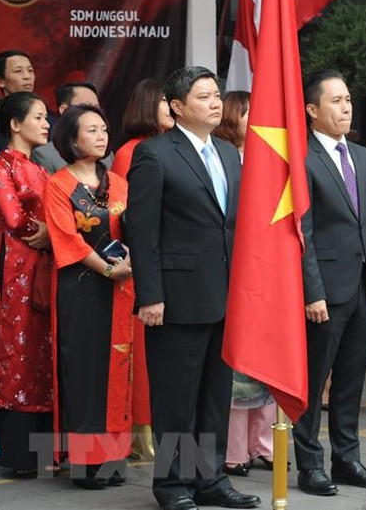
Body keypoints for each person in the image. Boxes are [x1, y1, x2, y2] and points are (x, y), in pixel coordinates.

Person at [126, 66, 258, 510]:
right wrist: (150, 295)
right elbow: (142, 232)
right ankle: (171, 485)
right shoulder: (155, 154)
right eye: (203, 97)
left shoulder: (228, 152)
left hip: (223, 296)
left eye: (217, 95)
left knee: (215, 396)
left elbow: (233, 227)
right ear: (177, 106)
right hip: (176, 298)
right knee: (175, 400)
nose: (215, 103)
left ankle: (210, 478)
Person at [293, 70, 366, 497]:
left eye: (348, 99)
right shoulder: (300, 158)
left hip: (364, 287)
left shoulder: (365, 157)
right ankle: (310, 464)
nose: (346, 107)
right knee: (313, 384)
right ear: (312, 110)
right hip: (325, 291)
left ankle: (347, 458)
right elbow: (302, 231)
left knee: (352, 379)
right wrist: (311, 290)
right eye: (335, 101)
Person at [43, 105, 134, 489]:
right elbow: (68, 240)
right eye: (91, 130)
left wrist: (130, 264)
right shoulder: (58, 185)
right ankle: (84, 463)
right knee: (83, 372)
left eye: (104, 128)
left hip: (121, 288)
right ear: (71, 138)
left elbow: (135, 228)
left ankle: (112, 458)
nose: (101, 135)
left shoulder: (119, 182)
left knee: (117, 371)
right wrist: (112, 269)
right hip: (81, 290)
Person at [0, 91, 52, 478]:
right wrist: (43, 230)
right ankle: (18, 454)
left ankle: (42, 451)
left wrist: (51, 233)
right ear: (15, 123)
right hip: (15, 271)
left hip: (42, 268)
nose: (46, 124)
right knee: (16, 351)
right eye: (39, 117)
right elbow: (11, 217)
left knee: (42, 351)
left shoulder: (41, 169)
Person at [109, 77, 174, 460]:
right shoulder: (132, 152)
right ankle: (141, 432)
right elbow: (130, 218)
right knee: (144, 357)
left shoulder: (168, 148)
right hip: (143, 267)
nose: (172, 107)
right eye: (166, 102)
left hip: (171, 265)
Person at [213, 90, 277, 476]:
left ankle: (264, 446)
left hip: (266, 271)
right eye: (249, 111)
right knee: (238, 369)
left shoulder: (268, 158)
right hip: (233, 270)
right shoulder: (222, 159)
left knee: (266, 364)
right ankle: (234, 452)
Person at [32, 82, 112, 174]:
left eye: (96, 108)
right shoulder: (45, 155)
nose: (93, 113)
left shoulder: (106, 153)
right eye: (85, 107)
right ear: (64, 110)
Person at [0, 51, 35, 149]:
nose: (27, 76)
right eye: (18, 71)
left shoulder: (50, 123)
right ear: (0, 81)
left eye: (30, 70)